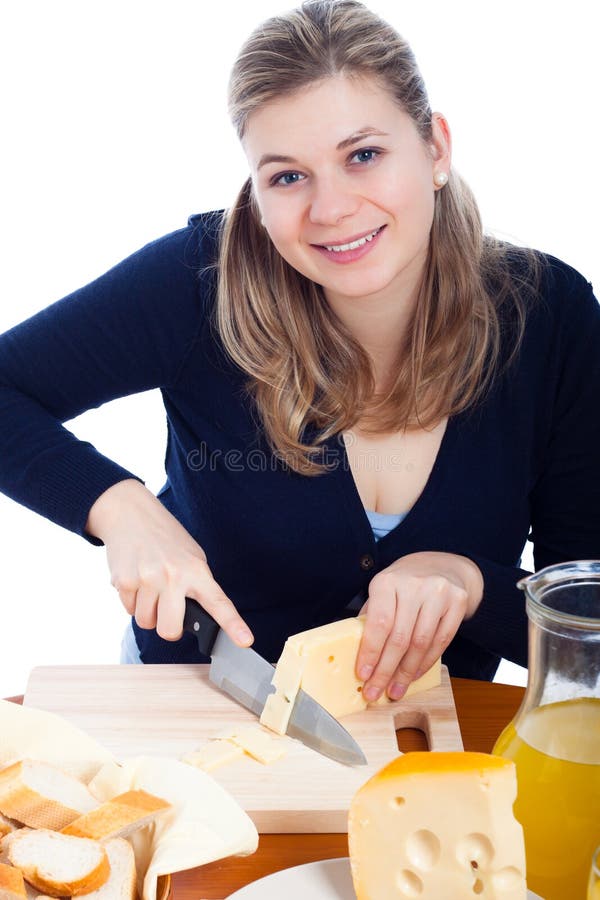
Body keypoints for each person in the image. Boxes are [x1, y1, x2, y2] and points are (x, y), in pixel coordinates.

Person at [0, 0, 598, 697]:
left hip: (431, 745)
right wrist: (119, 505)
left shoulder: (547, 314)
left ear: (435, 147)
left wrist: (470, 584)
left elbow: (585, 630)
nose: (331, 208)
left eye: (364, 155)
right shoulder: (200, 281)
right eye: (287, 176)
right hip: (194, 710)